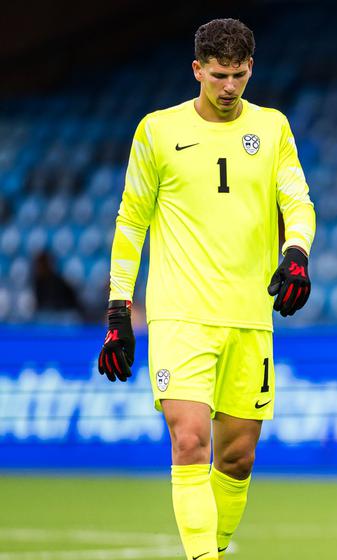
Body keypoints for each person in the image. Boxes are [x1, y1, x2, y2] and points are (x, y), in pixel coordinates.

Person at [96, 19, 315, 560]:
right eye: (219, 75)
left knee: (237, 459)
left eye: (238, 75)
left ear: (251, 69)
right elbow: (131, 222)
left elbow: (297, 202)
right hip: (180, 315)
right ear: (197, 70)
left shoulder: (273, 128)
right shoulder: (156, 132)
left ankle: (211, 549)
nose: (229, 87)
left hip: (248, 316)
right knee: (189, 439)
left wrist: (296, 254)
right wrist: (119, 309)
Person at [32, 250, 83, 320]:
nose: (38, 268)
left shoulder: (58, 282)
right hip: (46, 316)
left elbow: (70, 303)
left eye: (41, 265)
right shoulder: (38, 282)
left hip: (63, 315)